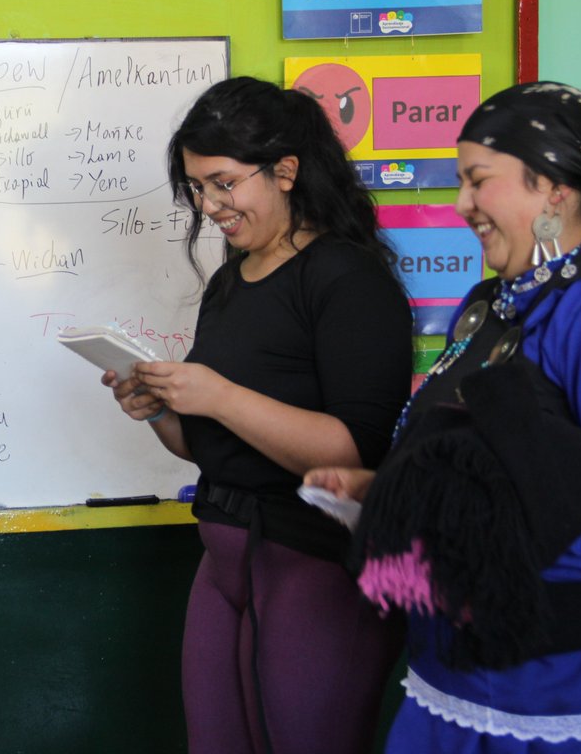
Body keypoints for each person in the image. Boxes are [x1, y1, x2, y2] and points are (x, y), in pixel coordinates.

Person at [304, 82, 581, 753]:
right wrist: (387, 494)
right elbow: (495, 469)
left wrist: (482, 556)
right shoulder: (491, 304)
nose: (462, 203)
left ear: (551, 188)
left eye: (477, 181)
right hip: (454, 670)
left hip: (552, 696)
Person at [103, 77, 413, 754]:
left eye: (223, 183)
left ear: (286, 171)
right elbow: (213, 447)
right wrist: (159, 411)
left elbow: (351, 453)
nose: (210, 206)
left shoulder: (348, 280)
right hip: (224, 554)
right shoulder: (228, 283)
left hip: (313, 562)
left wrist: (216, 394)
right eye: (196, 188)